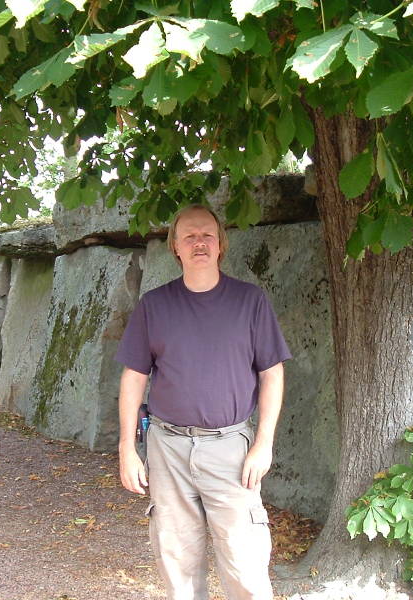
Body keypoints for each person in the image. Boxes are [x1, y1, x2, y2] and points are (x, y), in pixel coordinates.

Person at [114, 203, 291, 600]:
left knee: (244, 562)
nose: (199, 242)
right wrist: (127, 447)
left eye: (207, 234)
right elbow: (134, 377)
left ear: (221, 244)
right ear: (175, 247)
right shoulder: (154, 306)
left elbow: (272, 373)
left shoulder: (250, 302)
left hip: (231, 448)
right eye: (189, 236)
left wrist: (264, 443)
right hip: (167, 447)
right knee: (176, 559)